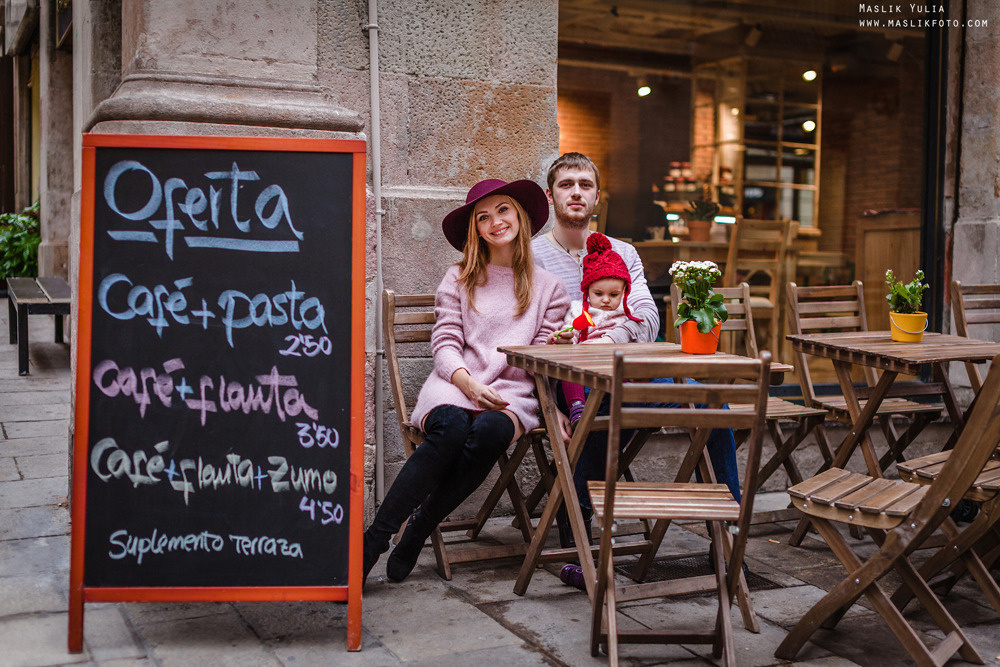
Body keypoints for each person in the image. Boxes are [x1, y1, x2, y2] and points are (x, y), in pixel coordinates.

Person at [531, 152, 741, 554]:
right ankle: (577, 527)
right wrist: (546, 405)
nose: (576, 192)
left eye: (585, 185)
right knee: (596, 411)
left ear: (596, 198)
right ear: (550, 196)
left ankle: (726, 538)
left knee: (712, 403)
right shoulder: (531, 256)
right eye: (566, 184)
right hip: (567, 389)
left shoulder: (625, 253)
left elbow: (648, 320)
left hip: (629, 378)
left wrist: (608, 340)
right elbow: (523, 334)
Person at [363, 178, 570, 584]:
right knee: (451, 429)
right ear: (475, 229)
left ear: (520, 215)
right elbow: (444, 345)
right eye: (483, 217)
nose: (496, 222)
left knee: (491, 433)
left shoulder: (550, 289)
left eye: (503, 210)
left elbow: (541, 360)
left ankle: (420, 529)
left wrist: (555, 395)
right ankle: (377, 538)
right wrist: (468, 384)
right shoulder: (458, 278)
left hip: (512, 392)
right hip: (454, 382)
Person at [559, 232, 643, 425]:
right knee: (569, 370)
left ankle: (626, 402)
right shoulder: (579, 310)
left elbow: (634, 336)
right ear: (587, 291)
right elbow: (570, 332)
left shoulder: (625, 313)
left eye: (614, 294)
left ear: (624, 292)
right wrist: (567, 337)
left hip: (613, 365)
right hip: (583, 363)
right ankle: (577, 407)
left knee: (624, 378)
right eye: (598, 293)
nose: (606, 300)